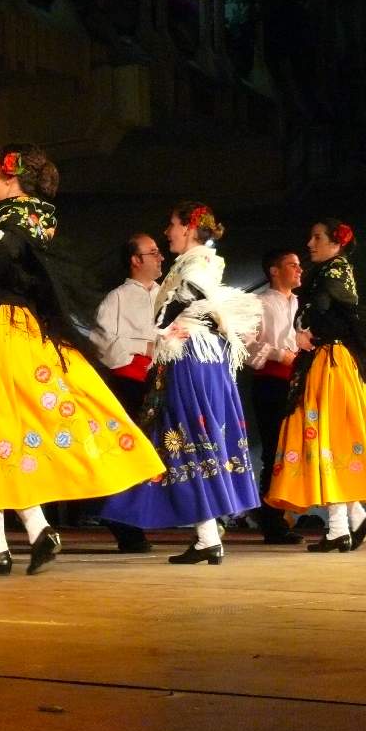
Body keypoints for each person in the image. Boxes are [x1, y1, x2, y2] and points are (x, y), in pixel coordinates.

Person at [0, 144, 165, 576]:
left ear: (12, 177)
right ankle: (25, 533)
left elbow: (7, 247)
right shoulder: (34, 213)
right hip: (17, 329)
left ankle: (1, 542)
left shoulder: (17, 213)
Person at [100, 202, 262, 565]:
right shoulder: (194, 261)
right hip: (194, 355)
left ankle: (208, 534)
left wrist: (163, 322)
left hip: (190, 356)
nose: (167, 232)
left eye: (172, 225)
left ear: (188, 227)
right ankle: (207, 536)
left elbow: (193, 291)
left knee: (189, 433)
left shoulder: (198, 261)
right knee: (186, 437)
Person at [265, 220, 366, 553]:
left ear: (336, 243)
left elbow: (323, 311)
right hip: (327, 363)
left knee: (327, 436)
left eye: (318, 237)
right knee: (327, 437)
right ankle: (351, 521)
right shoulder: (331, 273)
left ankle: (340, 528)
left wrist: (308, 331)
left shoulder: (333, 274)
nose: (310, 243)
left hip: (329, 363)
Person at [92, 232, 164, 554]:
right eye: (153, 253)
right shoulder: (117, 298)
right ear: (135, 260)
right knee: (128, 450)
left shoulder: (168, 295)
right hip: (130, 383)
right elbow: (102, 339)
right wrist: (140, 351)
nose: (160, 258)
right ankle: (126, 525)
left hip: (163, 380)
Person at [245, 248, 305, 544]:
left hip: (298, 381)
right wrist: (279, 354)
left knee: (296, 448)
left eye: (299, 265)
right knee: (274, 449)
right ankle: (271, 520)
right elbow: (244, 343)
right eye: (292, 265)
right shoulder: (258, 303)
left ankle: (283, 513)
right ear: (274, 270)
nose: (299, 270)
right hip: (271, 381)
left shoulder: (300, 304)